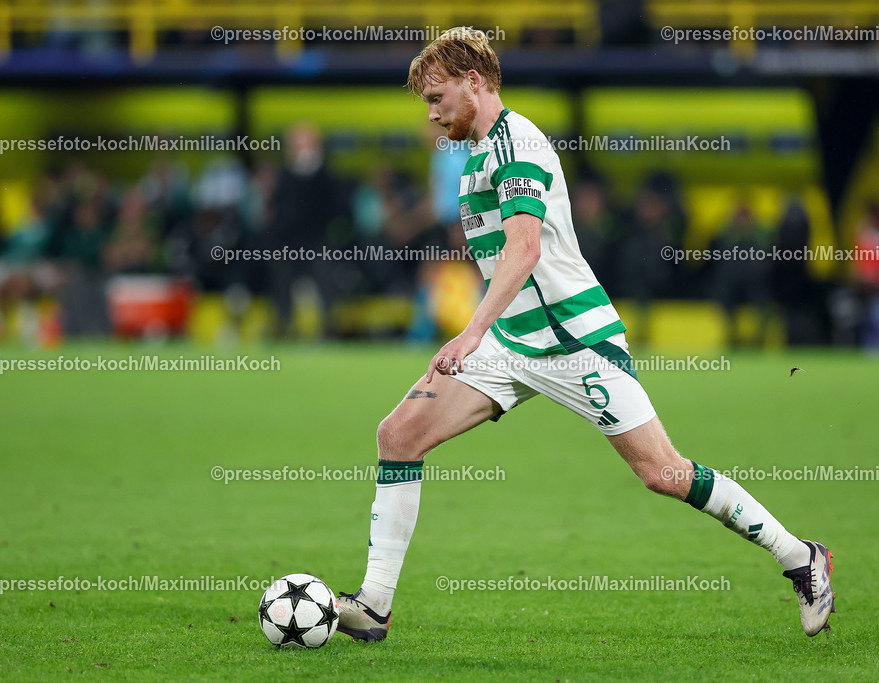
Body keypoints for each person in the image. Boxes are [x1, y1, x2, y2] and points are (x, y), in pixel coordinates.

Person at [336, 27, 835, 642]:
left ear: (474, 82)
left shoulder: (517, 142)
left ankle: (801, 557)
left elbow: (523, 251)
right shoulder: (476, 157)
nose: (433, 115)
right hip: (511, 342)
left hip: (574, 341)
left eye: (437, 99)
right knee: (398, 435)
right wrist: (485, 335)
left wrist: (468, 333)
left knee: (664, 474)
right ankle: (375, 605)